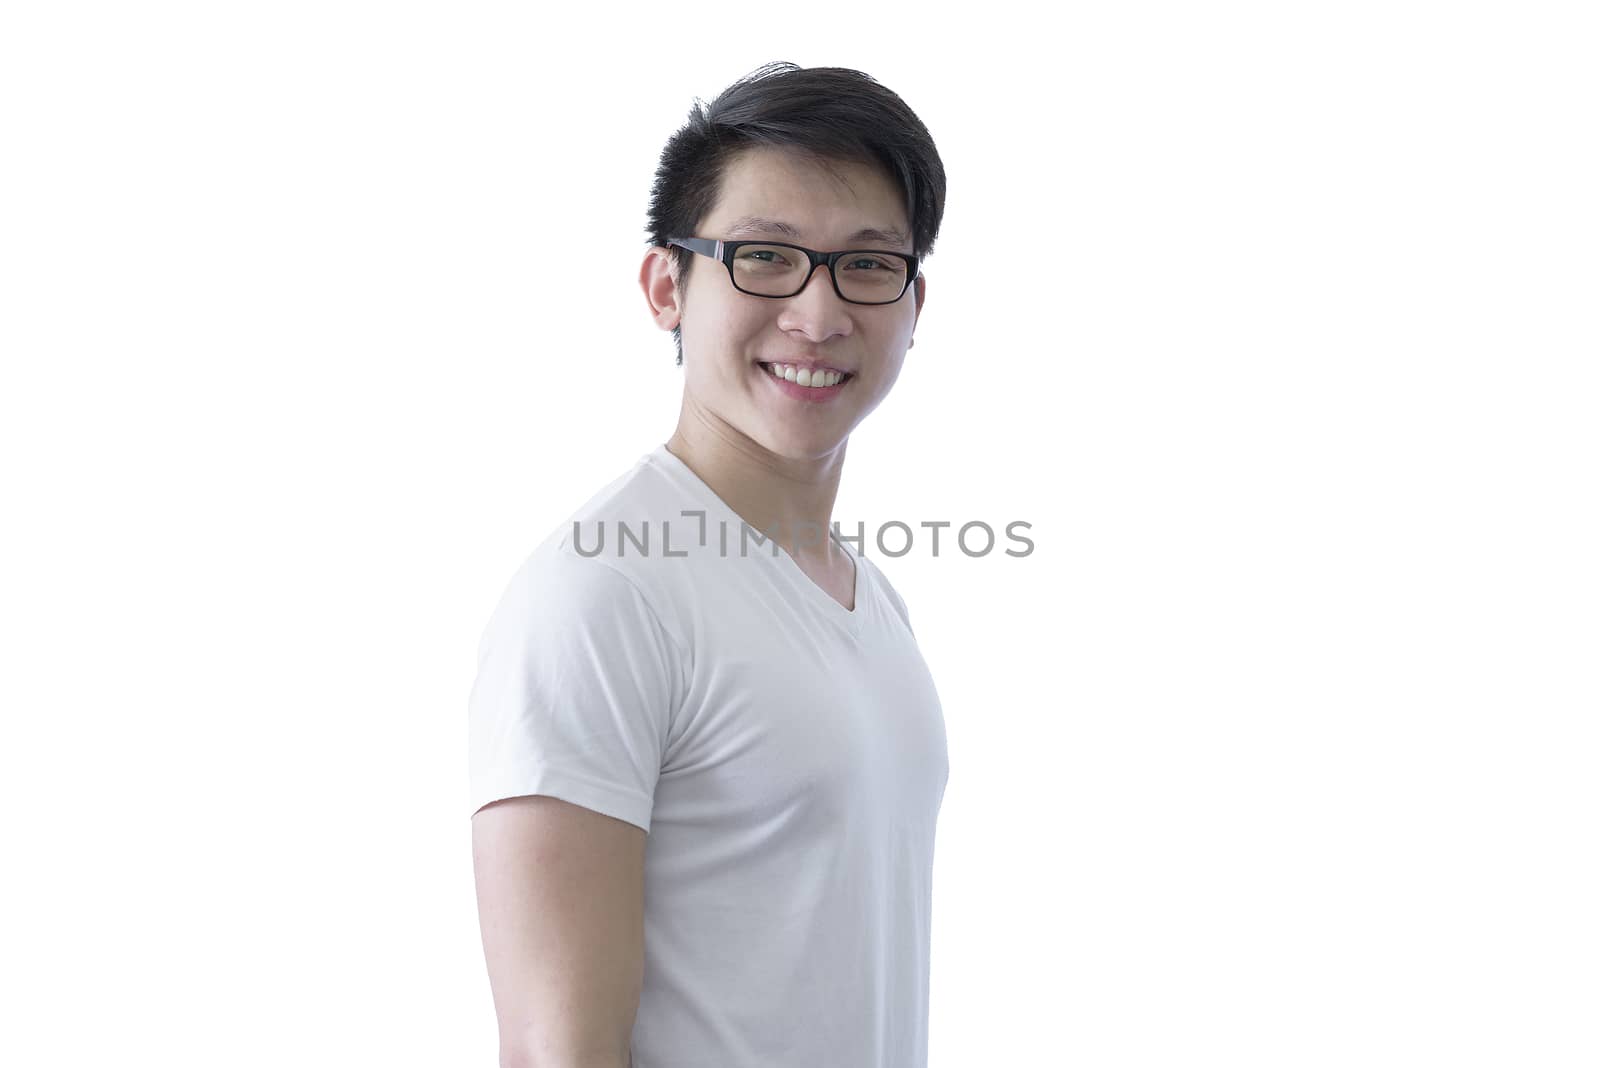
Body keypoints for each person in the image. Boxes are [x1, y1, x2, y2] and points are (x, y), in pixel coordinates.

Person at [468, 61, 949, 1068]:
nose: (816, 316)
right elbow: (555, 1049)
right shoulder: (605, 593)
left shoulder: (877, 600)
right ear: (665, 285)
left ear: (915, 305)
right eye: (765, 257)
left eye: (866, 265)